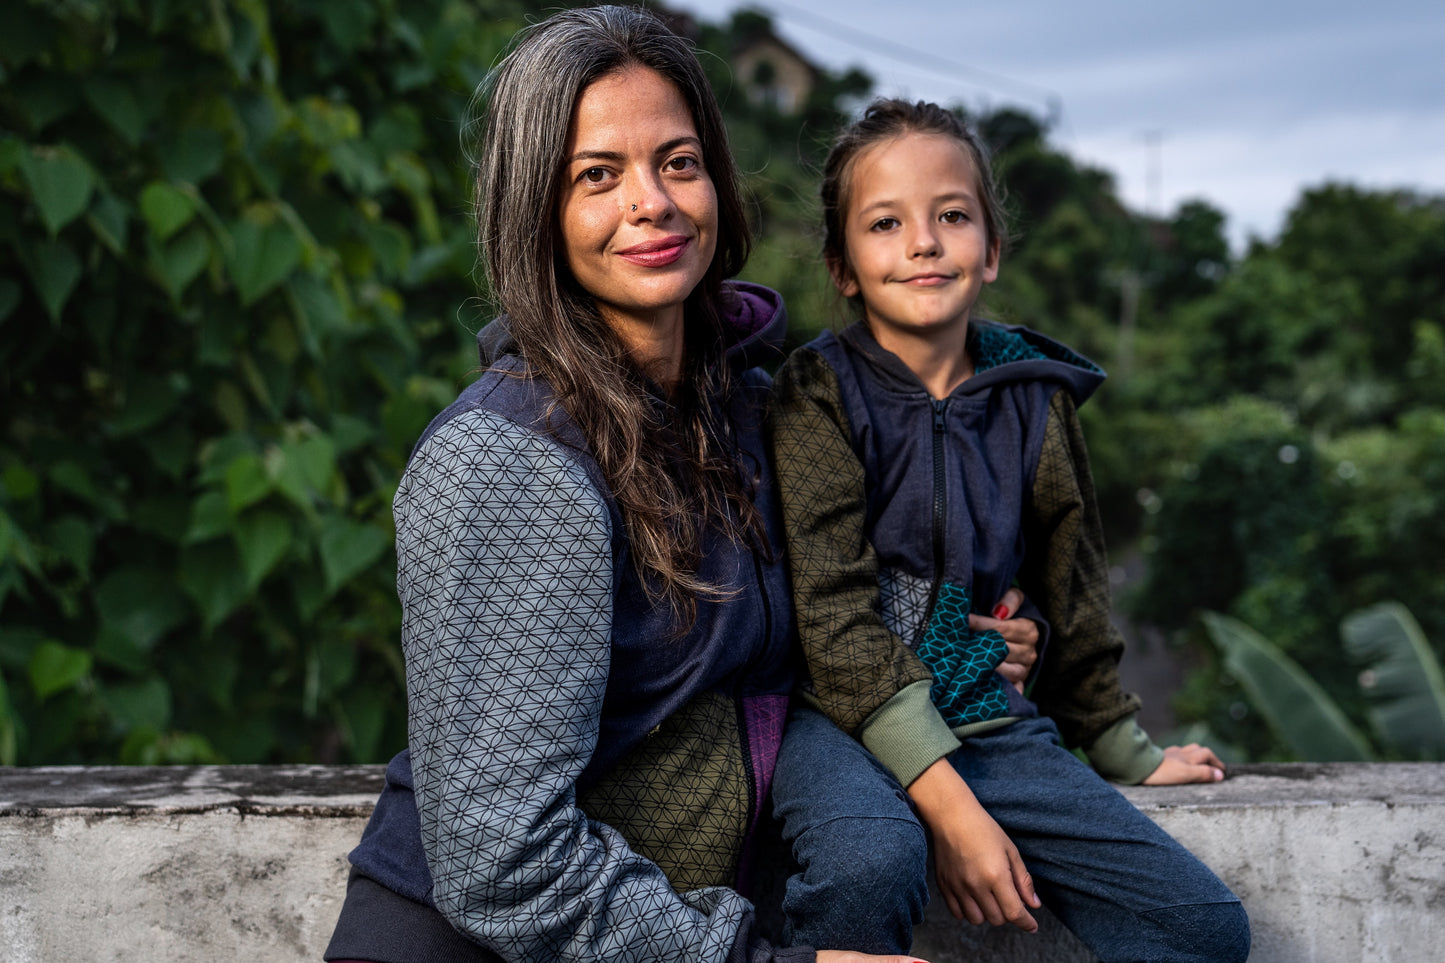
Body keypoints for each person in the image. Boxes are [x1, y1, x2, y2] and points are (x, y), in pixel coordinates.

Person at [324, 10, 955, 963]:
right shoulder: (507, 457)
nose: (651, 202)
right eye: (596, 176)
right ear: (533, 209)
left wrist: (971, 629)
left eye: (678, 161)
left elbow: (803, 627)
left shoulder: (742, 406)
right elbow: (504, 864)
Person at [766, 99, 1251, 962]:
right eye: (885, 223)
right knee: (871, 865)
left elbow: (1072, 576)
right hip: (832, 727)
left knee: (1200, 926)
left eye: (951, 215)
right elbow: (829, 613)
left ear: (990, 248)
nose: (923, 242)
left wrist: (1117, 743)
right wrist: (944, 799)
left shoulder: (1035, 398)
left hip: (990, 723)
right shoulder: (816, 394)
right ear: (842, 265)